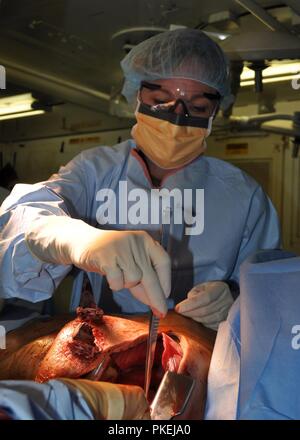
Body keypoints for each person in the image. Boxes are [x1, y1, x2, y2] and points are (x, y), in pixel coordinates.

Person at [0, 28, 280, 330]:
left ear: (216, 111)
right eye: (160, 99)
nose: (176, 119)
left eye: (198, 107)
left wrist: (236, 296)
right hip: (104, 349)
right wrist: (73, 239)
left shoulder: (243, 195)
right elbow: (21, 221)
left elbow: (273, 287)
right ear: (136, 96)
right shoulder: (95, 170)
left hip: (198, 355)